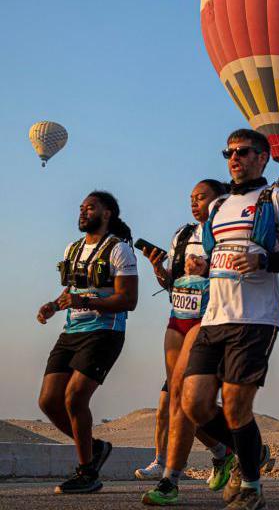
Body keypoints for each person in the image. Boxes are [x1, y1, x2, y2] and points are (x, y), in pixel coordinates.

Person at [182, 129, 279, 510]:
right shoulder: (217, 205)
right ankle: (245, 451)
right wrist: (201, 264)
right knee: (194, 405)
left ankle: (252, 487)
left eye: (243, 151)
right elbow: (217, 256)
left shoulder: (277, 197)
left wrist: (264, 260)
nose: (234, 158)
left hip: (254, 319)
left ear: (263, 157)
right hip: (212, 319)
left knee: (238, 406)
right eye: (229, 152)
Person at [139, 180, 236, 506]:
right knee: (174, 401)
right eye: (191, 198)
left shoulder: (227, 235)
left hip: (208, 320)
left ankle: (171, 479)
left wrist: (209, 268)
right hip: (177, 318)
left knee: (182, 396)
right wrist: (159, 270)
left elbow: (238, 282)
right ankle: (223, 452)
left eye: (202, 197)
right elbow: (173, 282)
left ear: (220, 200)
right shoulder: (182, 235)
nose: (195, 203)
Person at [37, 191, 138, 494]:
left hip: (104, 332)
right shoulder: (74, 248)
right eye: (81, 207)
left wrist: (86, 300)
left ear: (107, 213)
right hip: (72, 332)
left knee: (75, 398)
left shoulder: (119, 250)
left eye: (90, 207)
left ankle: (87, 472)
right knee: (48, 401)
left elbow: (129, 300)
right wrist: (54, 306)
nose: (82, 212)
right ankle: (94, 448)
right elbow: (72, 289)